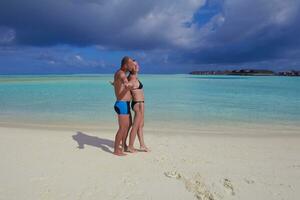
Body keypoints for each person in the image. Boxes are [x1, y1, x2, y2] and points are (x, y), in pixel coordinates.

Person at [112, 56, 136, 156]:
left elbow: (119, 83)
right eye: (131, 64)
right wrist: (127, 84)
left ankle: (124, 145)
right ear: (126, 64)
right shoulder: (121, 74)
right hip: (121, 104)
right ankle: (116, 150)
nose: (133, 66)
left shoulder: (120, 73)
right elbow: (124, 81)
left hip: (125, 104)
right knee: (122, 128)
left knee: (128, 125)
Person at [126, 61, 150, 152]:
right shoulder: (131, 78)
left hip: (141, 103)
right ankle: (130, 146)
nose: (137, 66)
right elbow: (127, 85)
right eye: (134, 65)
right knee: (135, 126)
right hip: (137, 104)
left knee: (140, 125)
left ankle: (142, 145)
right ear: (131, 67)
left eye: (137, 64)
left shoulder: (135, 77)